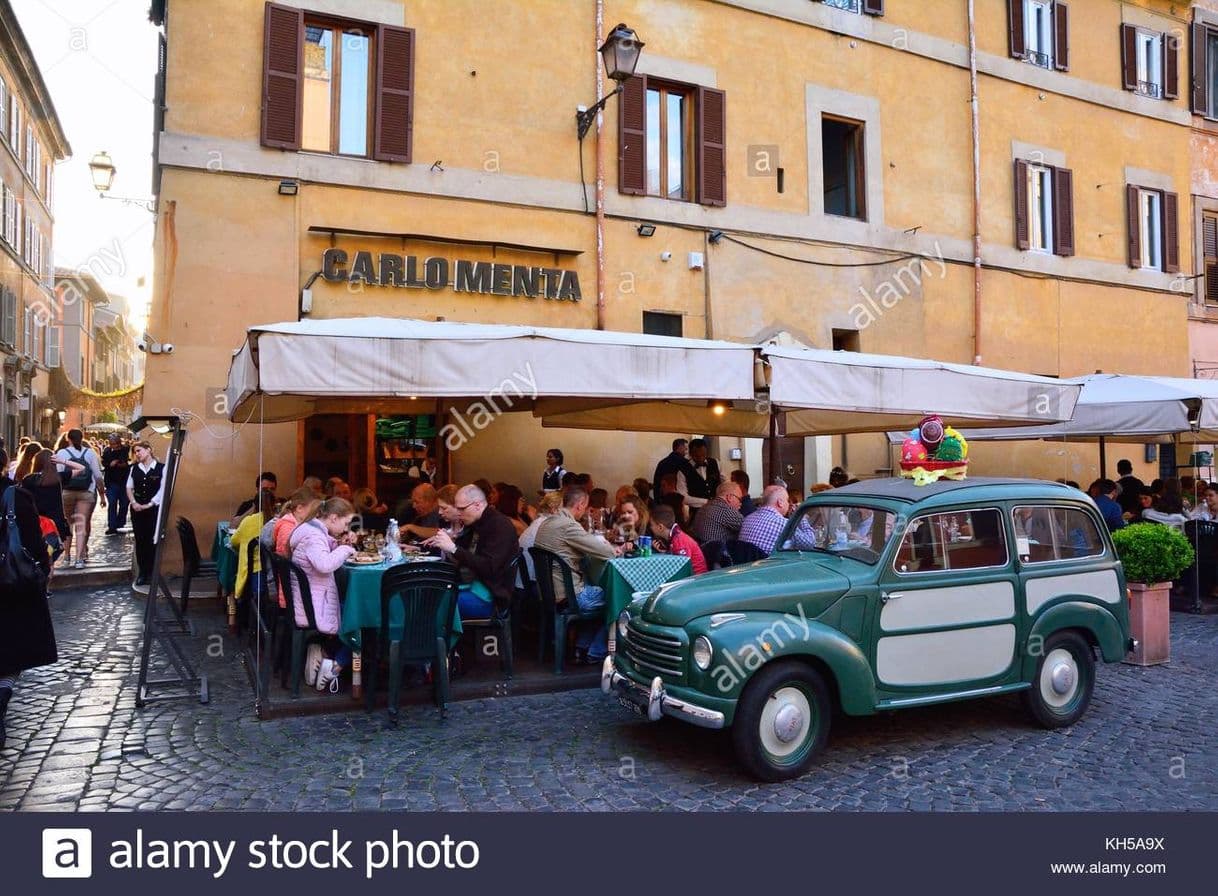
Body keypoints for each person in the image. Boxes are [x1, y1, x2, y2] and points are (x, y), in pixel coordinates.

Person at [0, 448, 54, 749]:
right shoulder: (16, 497)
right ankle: (3, 693)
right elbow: (34, 541)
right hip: (11, 583)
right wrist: (43, 572)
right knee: (10, 650)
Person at [533, 488, 621, 664]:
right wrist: (615, 549)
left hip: (548, 594)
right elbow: (606, 552)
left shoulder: (547, 523)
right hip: (571, 596)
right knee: (619, 599)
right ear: (580, 505)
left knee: (601, 593)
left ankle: (582, 647)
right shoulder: (568, 526)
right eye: (586, 507)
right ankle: (596, 652)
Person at [289, 496, 359, 693]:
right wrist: (345, 549)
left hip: (309, 598)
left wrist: (337, 544)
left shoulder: (310, 530)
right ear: (334, 518)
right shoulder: (314, 536)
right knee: (359, 616)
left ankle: (325, 652)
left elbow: (320, 552)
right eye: (346, 523)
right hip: (313, 604)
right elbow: (324, 564)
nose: (346, 528)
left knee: (353, 609)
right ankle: (333, 661)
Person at [423, 485, 519, 620]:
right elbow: (465, 557)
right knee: (424, 594)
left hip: (490, 596)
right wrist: (451, 542)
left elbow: (489, 568)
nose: (459, 513)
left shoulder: (499, 525)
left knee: (429, 604)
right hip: (472, 586)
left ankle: (434, 640)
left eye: (461, 509)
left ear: (478, 505)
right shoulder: (477, 522)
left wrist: (453, 548)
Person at [54, 429, 105, 569]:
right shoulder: (90, 453)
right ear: (82, 438)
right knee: (81, 524)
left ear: (67, 439)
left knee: (68, 524)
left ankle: (67, 556)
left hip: (66, 492)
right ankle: (79, 559)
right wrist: (101, 494)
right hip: (86, 492)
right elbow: (98, 476)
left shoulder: (62, 453)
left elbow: (58, 475)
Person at [126, 440, 167, 587]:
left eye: (139, 451)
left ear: (148, 450)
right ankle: (143, 572)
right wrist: (134, 503)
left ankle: (152, 573)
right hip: (137, 510)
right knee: (140, 540)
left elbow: (163, 489)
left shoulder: (161, 468)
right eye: (135, 452)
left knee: (153, 540)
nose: (137, 454)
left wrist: (150, 504)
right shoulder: (134, 469)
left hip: (154, 509)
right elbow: (129, 487)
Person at [21, 449, 79, 549]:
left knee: (40, 551)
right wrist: (62, 461)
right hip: (56, 522)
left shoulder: (28, 479)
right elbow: (81, 468)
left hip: (36, 521)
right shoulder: (58, 478)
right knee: (53, 551)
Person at [648, 503, 707, 574]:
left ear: (660, 527)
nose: (650, 528)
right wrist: (665, 552)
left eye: (651, 525)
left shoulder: (679, 540)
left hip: (695, 579)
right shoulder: (676, 535)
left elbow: (681, 567)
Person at [738, 485, 797, 557]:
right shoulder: (783, 524)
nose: (789, 504)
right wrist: (800, 514)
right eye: (787, 500)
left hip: (746, 566)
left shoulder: (747, 519)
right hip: (771, 566)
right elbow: (809, 543)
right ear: (780, 502)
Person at [519, 491, 564, 583]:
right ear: (554, 509)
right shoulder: (547, 526)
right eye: (564, 508)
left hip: (526, 578)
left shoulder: (541, 521)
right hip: (533, 582)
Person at [691, 481, 745, 545]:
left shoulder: (703, 507)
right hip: (718, 553)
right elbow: (749, 528)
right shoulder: (726, 511)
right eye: (740, 499)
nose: (740, 503)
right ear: (729, 497)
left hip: (701, 551)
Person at [652, 439, 696, 508]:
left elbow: (656, 483)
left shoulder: (662, 463)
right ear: (680, 447)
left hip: (663, 501)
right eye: (686, 449)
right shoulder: (685, 463)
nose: (687, 452)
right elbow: (692, 484)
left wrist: (657, 501)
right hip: (681, 501)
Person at [101, 433, 131, 534]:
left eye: (115, 444)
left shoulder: (124, 450)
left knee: (124, 504)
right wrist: (110, 464)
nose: (113, 446)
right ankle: (112, 526)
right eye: (111, 444)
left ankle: (120, 523)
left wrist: (116, 462)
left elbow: (125, 463)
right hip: (111, 481)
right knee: (112, 503)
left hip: (124, 482)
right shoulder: (107, 451)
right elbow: (104, 463)